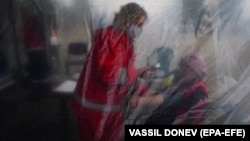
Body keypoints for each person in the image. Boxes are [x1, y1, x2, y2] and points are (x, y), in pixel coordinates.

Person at [71, 2, 151, 141]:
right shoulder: (111, 39)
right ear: (127, 20)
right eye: (138, 24)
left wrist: (138, 76)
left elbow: (122, 71)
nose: (140, 29)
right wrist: (137, 76)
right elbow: (111, 76)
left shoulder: (122, 40)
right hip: (95, 109)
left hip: (104, 107)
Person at [131, 52, 209, 125]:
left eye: (185, 69)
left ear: (195, 71)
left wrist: (142, 100)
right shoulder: (184, 79)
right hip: (166, 116)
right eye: (182, 67)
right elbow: (169, 91)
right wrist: (155, 92)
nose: (182, 71)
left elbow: (167, 97)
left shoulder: (198, 88)